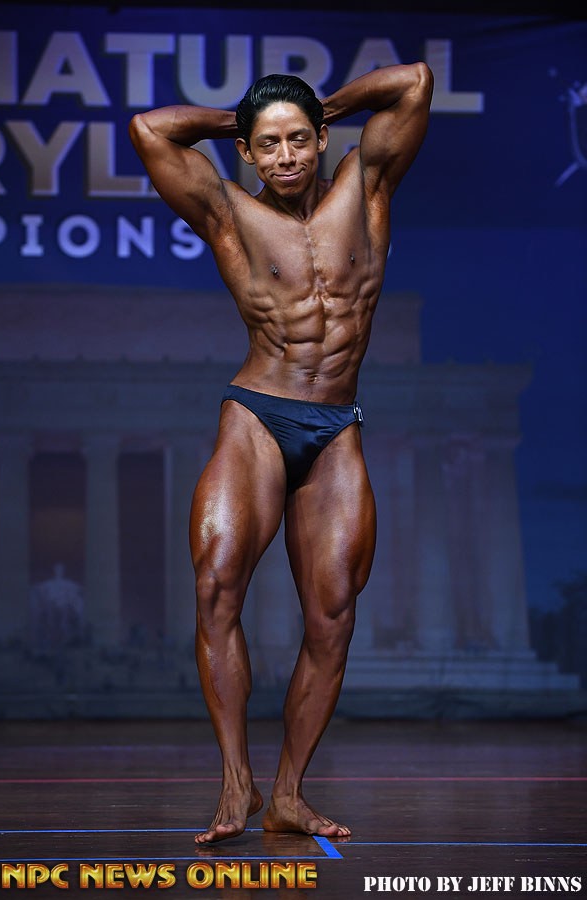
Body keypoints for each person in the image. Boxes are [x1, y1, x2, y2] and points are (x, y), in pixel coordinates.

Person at [129, 61, 433, 844]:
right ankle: (237, 783)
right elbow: (150, 129)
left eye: (299, 138)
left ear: (323, 138)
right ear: (246, 152)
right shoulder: (226, 211)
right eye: (268, 144)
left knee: (332, 617)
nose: (286, 155)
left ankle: (290, 793)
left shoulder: (365, 184)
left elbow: (413, 81)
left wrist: (317, 100)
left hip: (335, 427)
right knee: (215, 585)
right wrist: (243, 115)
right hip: (259, 416)